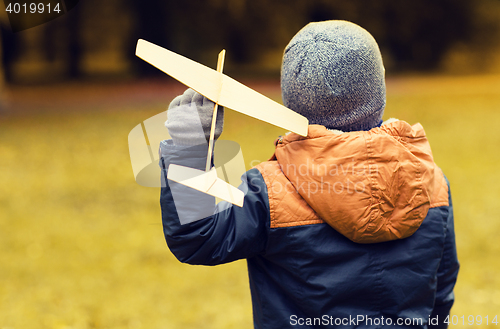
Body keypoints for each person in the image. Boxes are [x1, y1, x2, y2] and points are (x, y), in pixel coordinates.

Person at [159, 20, 459, 328]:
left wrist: (189, 147)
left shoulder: (269, 192)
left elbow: (197, 236)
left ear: (290, 101)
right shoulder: (429, 180)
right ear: (379, 85)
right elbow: (442, 285)